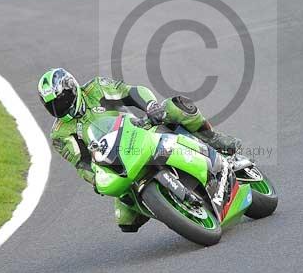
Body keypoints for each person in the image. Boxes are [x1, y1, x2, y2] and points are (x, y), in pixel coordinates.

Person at [37, 68, 241, 232]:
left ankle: (211, 139)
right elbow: (80, 162)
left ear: (73, 89)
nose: (59, 108)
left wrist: (151, 106)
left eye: (62, 100)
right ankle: (171, 206)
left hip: (140, 130)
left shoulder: (96, 87)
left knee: (176, 107)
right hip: (118, 163)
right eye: (53, 106)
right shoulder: (60, 134)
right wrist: (95, 179)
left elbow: (131, 92)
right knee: (126, 221)